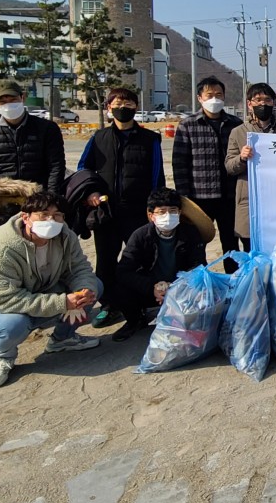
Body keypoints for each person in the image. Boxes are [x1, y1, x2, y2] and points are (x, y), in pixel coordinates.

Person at [0, 191, 102, 389]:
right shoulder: (2, 251)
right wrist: (63, 303)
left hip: (40, 293)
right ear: (26, 217)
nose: (51, 220)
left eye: (57, 215)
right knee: (13, 325)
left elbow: (79, 268)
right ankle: (4, 357)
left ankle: (62, 339)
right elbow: (6, 300)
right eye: (43, 214)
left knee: (94, 286)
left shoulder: (65, 236)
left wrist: (83, 290)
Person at [78, 88, 165, 328]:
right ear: (108, 108)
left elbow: (157, 175)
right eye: (117, 102)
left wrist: (155, 206)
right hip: (107, 212)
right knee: (105, 260)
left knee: (141, 259)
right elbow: (83, 170)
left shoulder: (150, 139)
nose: (122, 106)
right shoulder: (99, 138)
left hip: (138, 210)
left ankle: (146, 304)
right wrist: (91, 193)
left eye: (128, 102)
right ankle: (110, 306)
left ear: (136, 107)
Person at [110, 188, 208, 341]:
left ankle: (187, 318)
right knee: (118, 287)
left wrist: (175, 286)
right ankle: (135, 320)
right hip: (151, 290)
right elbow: (124, 271)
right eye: (161, 212)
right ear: (151, 215)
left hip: (181, 288)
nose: (168, 216)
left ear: (180, 212)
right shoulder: (140, 236)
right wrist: (152, 287)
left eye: (173, 210)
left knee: (206, 286)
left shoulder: (190, 233)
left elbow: (199, 265)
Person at [173, 77, 242, 270]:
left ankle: (234, 281)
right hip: (199, 198)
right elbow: (179, 163)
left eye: (218, 95)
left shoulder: (236, 124)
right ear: (200, 98)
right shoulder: (188, 125)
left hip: (230, 196)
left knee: (231, 243)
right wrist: (184, 197)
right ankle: (199, 282)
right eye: (209, 95)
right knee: (196, 243)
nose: (214, 99)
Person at [225, 83, 276, 250]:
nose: (262, 104)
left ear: (274, 103)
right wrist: (241, 158)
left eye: (267, 100)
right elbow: (229, 167)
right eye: (257, 100)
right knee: (251, 249)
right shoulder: (238, 132)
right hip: (250, 199)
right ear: (249, 104)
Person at [0, 79, 66, 199]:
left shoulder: (47, 128)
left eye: (12, 100)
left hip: (38, 197)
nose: (8, 105)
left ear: (23, 97)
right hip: (3, 199)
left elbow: (56, 166)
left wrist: (51, 199)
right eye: (2, 102)